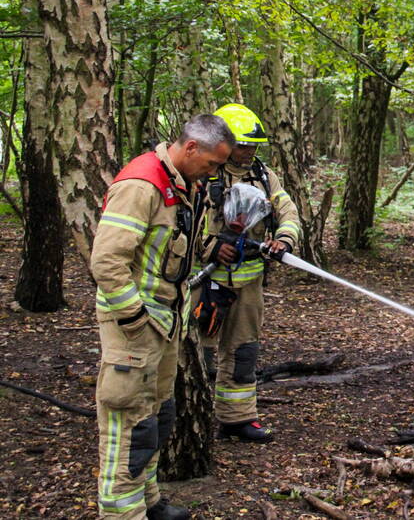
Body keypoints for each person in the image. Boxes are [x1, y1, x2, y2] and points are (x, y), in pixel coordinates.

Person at [91, 115, 234, 520]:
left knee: (156, 415)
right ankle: (122, 513)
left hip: (165, 321)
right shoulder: (141, 185)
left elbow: (178, 246)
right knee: (129, 422)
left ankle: (147, 501)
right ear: (191, 148)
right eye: (211, 163)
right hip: (135, 326)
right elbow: (106, 261)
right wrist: (134, 319)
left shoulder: (185, 185)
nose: (214, 172)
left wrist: (217, 246)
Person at [199, 104, 301, 443]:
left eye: (253, 146)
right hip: (204, 283)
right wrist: (210, 247)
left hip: (248, 286)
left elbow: (289, 212)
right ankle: (189, 417)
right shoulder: (202, 173)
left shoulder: (262, 175)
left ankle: (237, 418)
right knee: (194, 352)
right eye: (242, 145)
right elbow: (176, 225)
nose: (249, 152)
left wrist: (284, 239)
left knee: (243, 353)